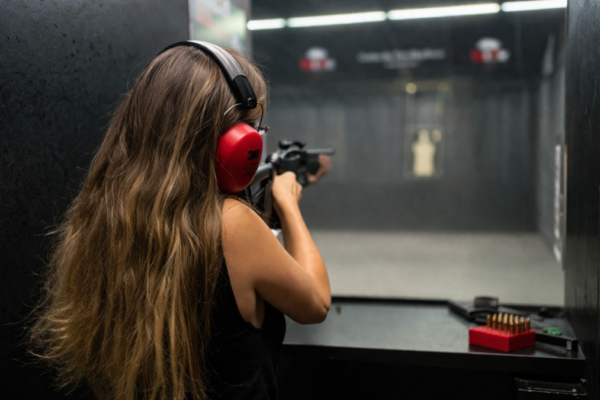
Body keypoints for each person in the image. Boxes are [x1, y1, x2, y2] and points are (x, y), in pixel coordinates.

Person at [29, 43, 331, 400]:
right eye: (250, 128)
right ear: (231, 143)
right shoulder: (232, 224)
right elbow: (316, 304)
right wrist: (288, 202)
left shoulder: (105, 215)